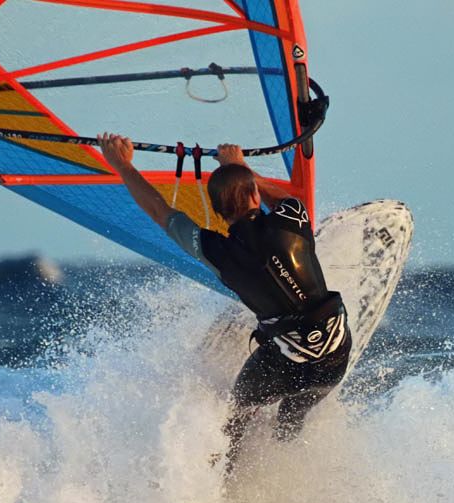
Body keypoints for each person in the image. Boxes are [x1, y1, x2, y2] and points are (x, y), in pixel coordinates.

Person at [98, 133, 351, 476]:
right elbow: (289, 198)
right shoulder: (292, 219)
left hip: (282, 365)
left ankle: (226, 484)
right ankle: (289, 463)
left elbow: (160, 211)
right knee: (292, 420)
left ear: (217, 213)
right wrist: (238, 165)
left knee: (235, 419)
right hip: (334, 357)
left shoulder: (214, 250)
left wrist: (122, 164)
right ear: (254, 195)